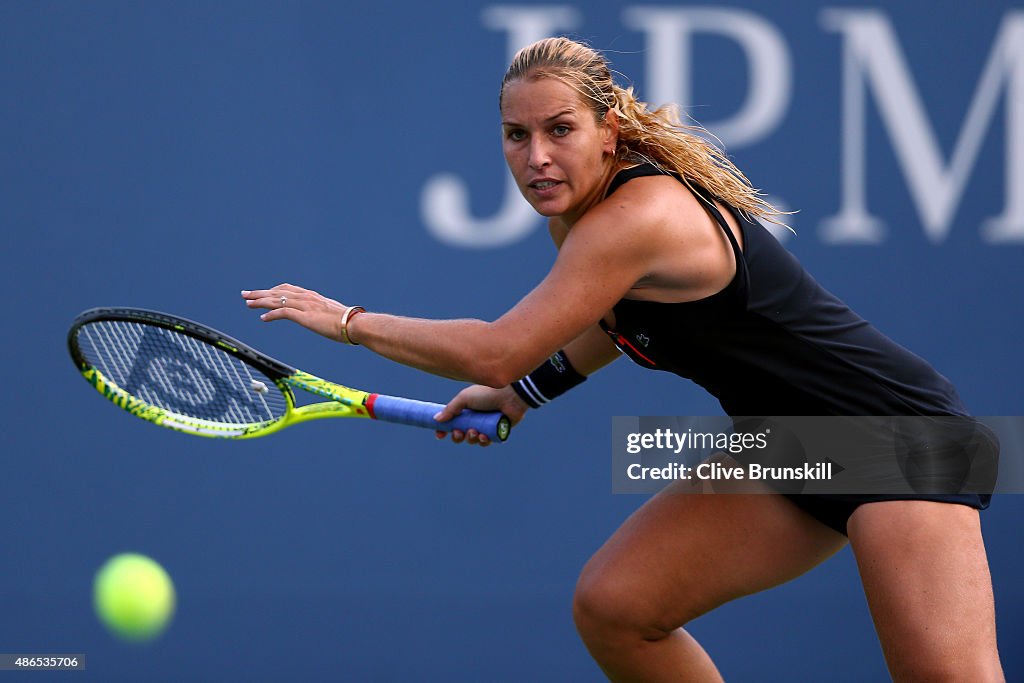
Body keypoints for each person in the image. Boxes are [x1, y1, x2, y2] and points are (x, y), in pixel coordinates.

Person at [242, 37, 1003, 682]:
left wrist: (348, 321)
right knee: (617, 607)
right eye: (516, 135)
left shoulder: (636, 217)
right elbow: (618, 324)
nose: (536, 157)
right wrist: (525, 394)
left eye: (559, 130)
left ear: (608, 131)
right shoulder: (583, 221)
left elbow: (498, 347)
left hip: (896, 436)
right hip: (791, 449)